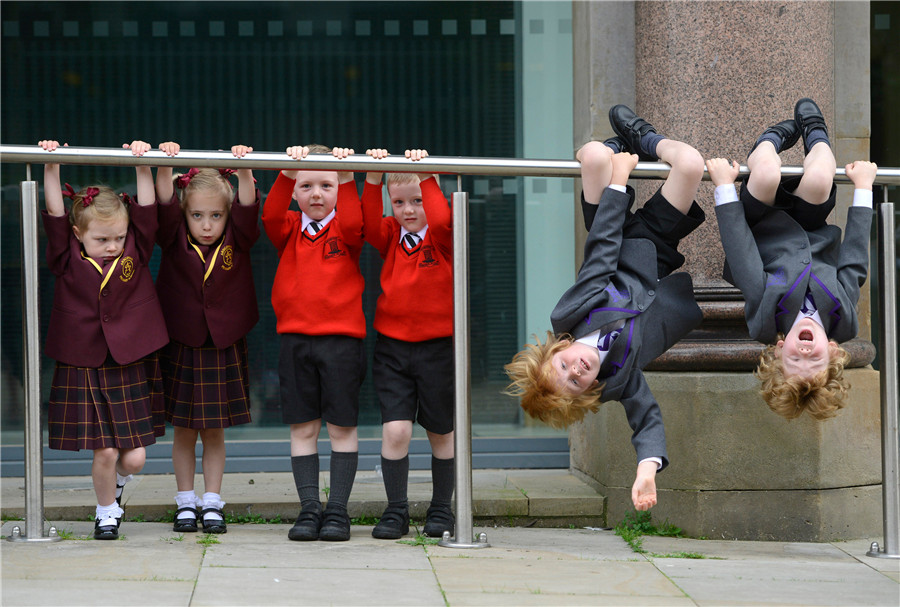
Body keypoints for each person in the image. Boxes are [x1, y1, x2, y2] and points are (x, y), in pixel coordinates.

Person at [505, 105, 706, 511]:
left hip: (609, 231)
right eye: (576, 381)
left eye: (564, 367)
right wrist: (646, 470)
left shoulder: (567, 317)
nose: (576, 370)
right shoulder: (618, 378)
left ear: (558, 349)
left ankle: (631, 141)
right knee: (689, 164)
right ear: (590, 390)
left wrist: (617, 185)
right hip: (654, 251)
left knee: (596, 155)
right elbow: (645, 418)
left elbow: (600, 259)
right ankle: (646, 141)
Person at [706, 97, 877, 420]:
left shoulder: (765, 319)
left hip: (763, 225)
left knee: (767, 173)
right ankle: (815, 132)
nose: (805, 352)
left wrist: (725, 189)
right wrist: (863, 189)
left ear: (779, 350)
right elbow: (854, 262)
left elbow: (742, 256)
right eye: (814, 361)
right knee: (819, 180)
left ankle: (771, 139)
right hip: (812, 225)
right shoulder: (843, 318)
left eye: (795, 360)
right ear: (833, 351)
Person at [38, 139, 168, 540]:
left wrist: (141, 164)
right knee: (106, 450)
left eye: (118, 238)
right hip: (85, 360)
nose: (112, 247)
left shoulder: (136, 249)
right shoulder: (65, 256)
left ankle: (118, 486)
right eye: (101, 240)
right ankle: (106, 512)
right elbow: (55, 214)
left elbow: (146, 213)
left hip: (129, 358)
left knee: (136, 459)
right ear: (78, 235)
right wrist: (51, 164)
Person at [153, 142, 261, 534]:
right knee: (184, 429)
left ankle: (212, 501)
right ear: (185, 214)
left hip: (223, 342)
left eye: (216, 215)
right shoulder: (172, 236)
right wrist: (166, 164)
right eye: (197, 215)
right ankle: (185, 501)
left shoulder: (239, 237)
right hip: (181, 341)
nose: (207, 224)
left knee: (213, 429)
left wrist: (244, 168)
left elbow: (249, 208)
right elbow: (163, 201)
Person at [263, 144, 365, 542]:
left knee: (341, 427)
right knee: (303, 427)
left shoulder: (346, 229)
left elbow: (357, 218)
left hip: (341, 343)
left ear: (339, 188)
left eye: (327, 184)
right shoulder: (288, 226)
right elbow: (269, 213)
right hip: (295, 341)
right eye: (307, 185)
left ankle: (337, 510)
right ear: (294, 191)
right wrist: (289, 169)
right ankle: (309, 509)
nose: (317, 194)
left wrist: (351, 172)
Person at [361, 149, 455, 539]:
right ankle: (396, 510)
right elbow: (364, 223)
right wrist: (371, 178)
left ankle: (441, 509)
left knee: (440, 432)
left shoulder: (442, 236)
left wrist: (428, 174)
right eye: (399, 202)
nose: (408, 210)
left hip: (437, 348)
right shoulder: (389, 234)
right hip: (393, 349)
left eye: (416, 201)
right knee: (396, 431)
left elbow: (444, 217)